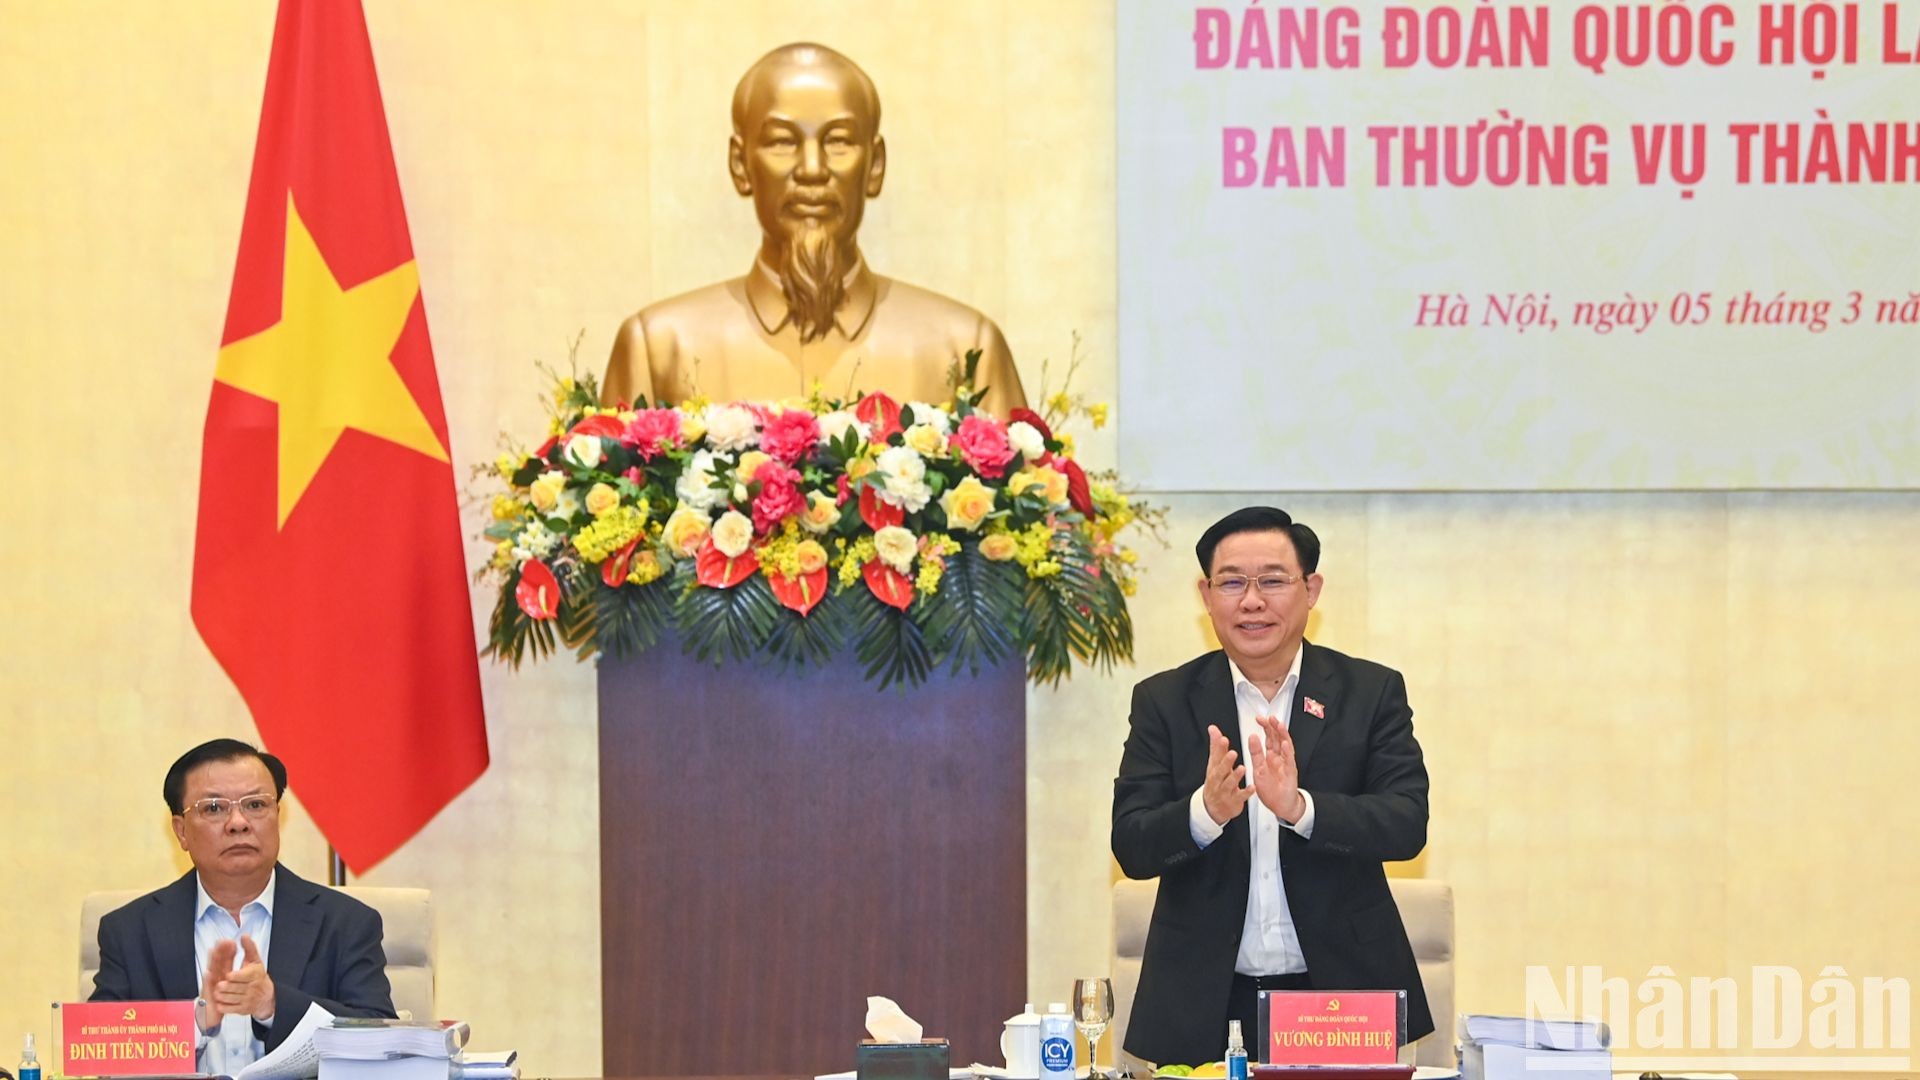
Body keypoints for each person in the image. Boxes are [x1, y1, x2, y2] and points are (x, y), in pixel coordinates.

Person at [1111, 507, 1433, 1065]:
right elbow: (1131, 845)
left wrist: (1302, 809)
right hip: (1203, 1000)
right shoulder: (1163, 700)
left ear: (1311, 589)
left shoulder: (1370, 690)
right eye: (1232, 582)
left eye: (1273, 580)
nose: (1251, 600)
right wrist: (1204, 813)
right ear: (1206, 594)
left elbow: (1406, 823)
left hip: (1337, 998)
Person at [602, 42, 1028, 416]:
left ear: (875, 165)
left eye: (838, 140)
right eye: (782, 141)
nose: (812, 170)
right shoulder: (658, 348)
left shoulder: (965, 349)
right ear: (740, 164)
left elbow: (1032, 500)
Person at [91, 739, 395, 1073]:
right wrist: (193, 1021)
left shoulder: (347, 923)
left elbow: (381, 1040)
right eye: (214, 808)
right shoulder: (129, 931)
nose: (238, 822)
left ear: (277, 816)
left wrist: (275, 1004)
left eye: (255, 804)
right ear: (181, 832)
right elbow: (98, 1049)